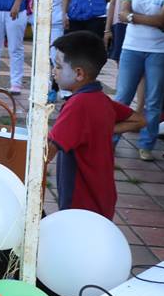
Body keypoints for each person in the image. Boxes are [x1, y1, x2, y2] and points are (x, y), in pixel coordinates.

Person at [47, 32, 145, 218]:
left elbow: (48, 151)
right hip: (103, 197)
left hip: (79, 202)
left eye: (59, 66)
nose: (54, 71)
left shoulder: (78, 105)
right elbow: (139, 120)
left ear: (79, 73)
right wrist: (97, 130)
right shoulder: (100, 99)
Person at [112, 0, 164, 161]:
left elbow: (162, 20)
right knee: (122, 97)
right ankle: (111, 140)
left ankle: (146, 144)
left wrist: (134, 17)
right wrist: (151, 20)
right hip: (132, 47)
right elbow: (122, 13)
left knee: (153, 100)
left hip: (160, 51)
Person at [105, 0, 151, 109]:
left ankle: (139, 109)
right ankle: (121, 108)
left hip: (144, 26)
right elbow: (113, 3)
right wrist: (107, 29)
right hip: (121, 25)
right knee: (123, 68)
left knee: (142, 72)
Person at [29, 0, 70, 102]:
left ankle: (60, 89)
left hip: (57, 23)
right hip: (39, 23)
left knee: (56, 57)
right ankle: (44, 90)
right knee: (41, 58)